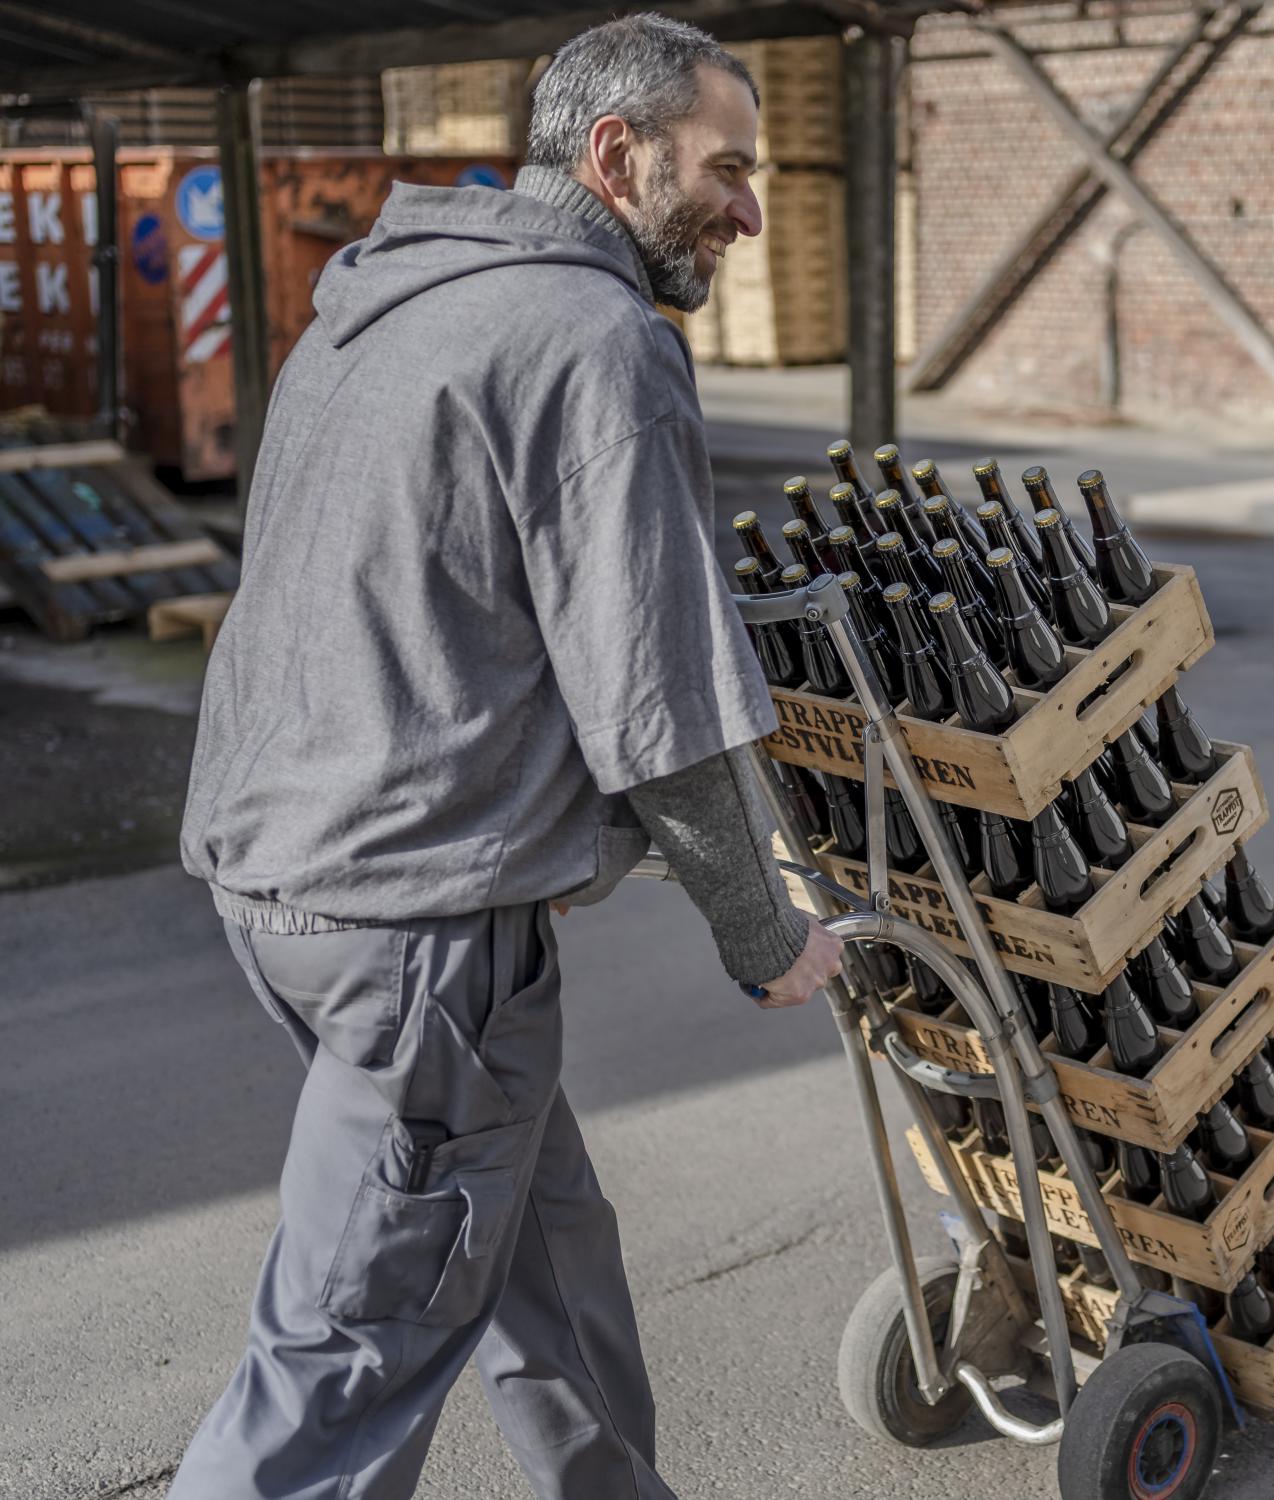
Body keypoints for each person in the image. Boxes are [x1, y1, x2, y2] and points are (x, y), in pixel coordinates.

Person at [169, 17, 841, 1498]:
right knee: (346, 1361)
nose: (748, 207)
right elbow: (659, 699)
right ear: (618, 154)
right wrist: (763, 931)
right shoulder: (599, 346)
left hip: (282, 875)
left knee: (544, 1259)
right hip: (411, 930)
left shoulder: (381, 300)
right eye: (725, 168)